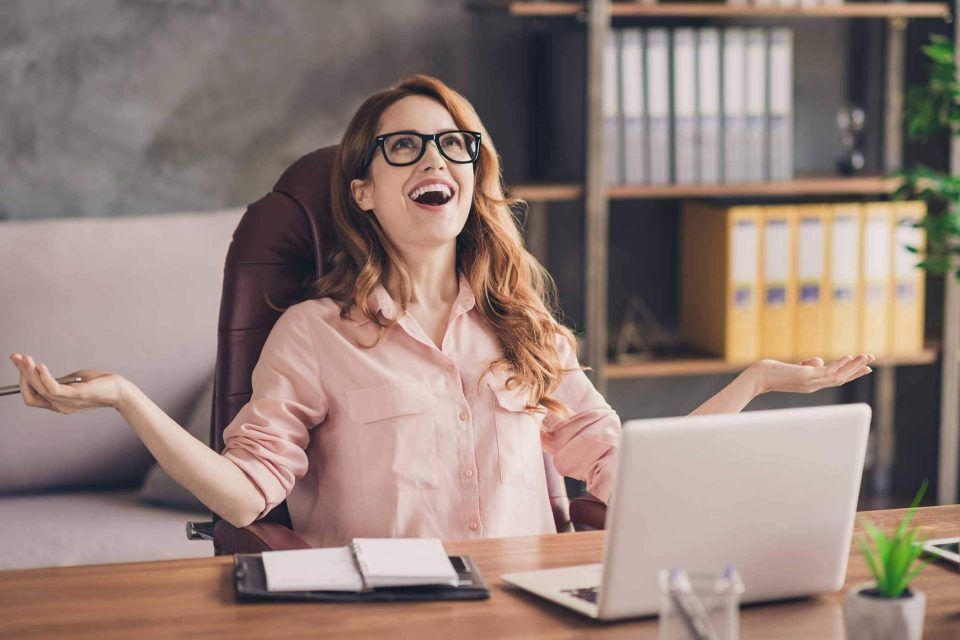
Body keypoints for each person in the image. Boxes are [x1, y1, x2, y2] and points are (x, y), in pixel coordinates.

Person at [8, 74, 875, 546]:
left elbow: (634, 474)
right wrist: (127, 399)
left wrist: (752, 383)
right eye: (405, 145)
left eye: (456, 143)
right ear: (366, 190)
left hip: (526, 611)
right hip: (380, 616)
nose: (438, 157)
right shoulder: (311, 335)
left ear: (472, 179)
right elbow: (243, 501)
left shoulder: (524, 327)